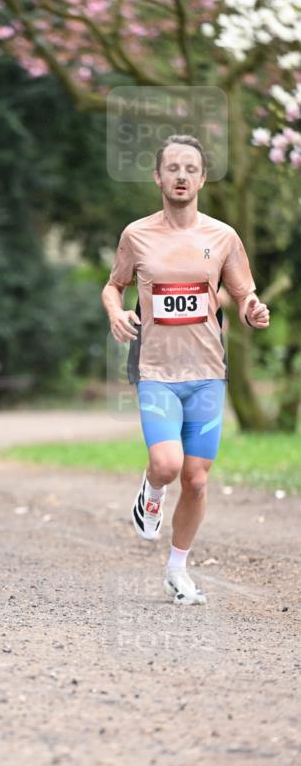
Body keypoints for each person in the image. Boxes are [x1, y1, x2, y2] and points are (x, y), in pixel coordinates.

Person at [102, 134, 269, 605]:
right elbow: (113, 286)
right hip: (156, 369)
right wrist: (116, 313)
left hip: (207, 374)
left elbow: (242, 295)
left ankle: (178, 569)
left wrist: (252, 309)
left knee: (196, 478)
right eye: (171, 168)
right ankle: (151, 491)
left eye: (190, 168)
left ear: (202, 177)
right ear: (158, 177)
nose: (180, 176)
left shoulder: (222, 237)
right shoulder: (137, 235)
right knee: (168, 465)